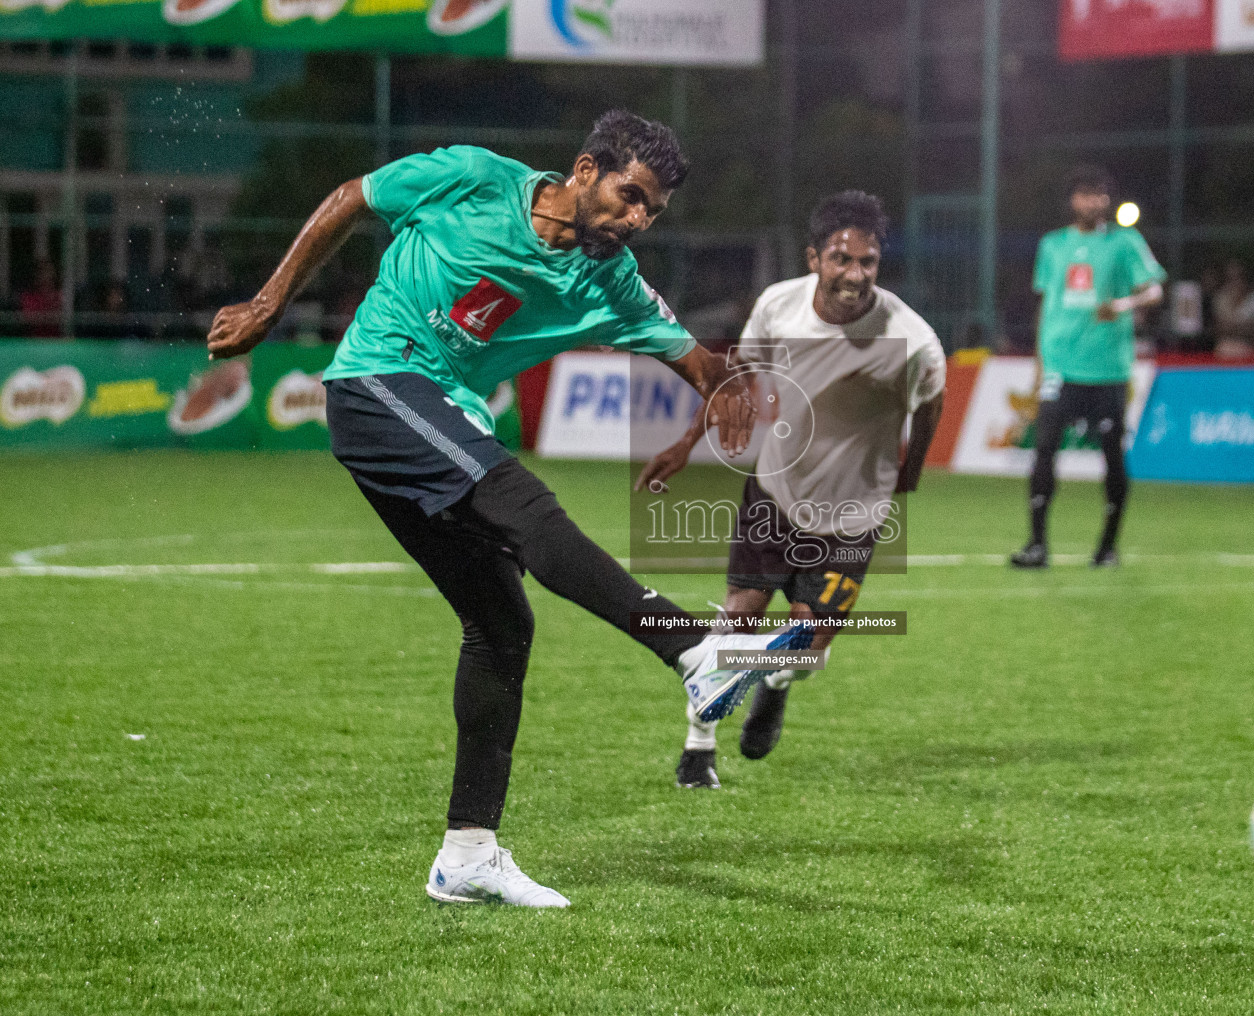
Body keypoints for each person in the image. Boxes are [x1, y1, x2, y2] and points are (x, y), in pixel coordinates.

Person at [205, 110, 813, 909]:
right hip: (379, 382)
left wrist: (724, 386)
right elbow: (355, 195)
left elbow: (692, 356)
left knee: (501, 625)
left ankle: (467, 854)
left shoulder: (611, 279)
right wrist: (268, 302)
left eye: (652, 212)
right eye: (630, 196)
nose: (636, 220)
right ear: (585, 169)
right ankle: (696, 654)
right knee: (524, 507)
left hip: (441, 417)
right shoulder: (473, 178)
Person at [633, 191, 946, 789]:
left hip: (854, 516)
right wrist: (684, 443)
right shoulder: (778, 306)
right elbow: (737, 379)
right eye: (841, 259)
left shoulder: (912, 339)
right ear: (814, 259)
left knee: (811, 648)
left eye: (868, 262)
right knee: (738, 618)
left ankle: (775, 682)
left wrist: (915, 467)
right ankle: (699, 747)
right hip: (775, 493)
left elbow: (933, 403)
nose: (855, 274)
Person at [1010, 165, 1165, 570]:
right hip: (1061, 363)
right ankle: (1037, 544)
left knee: (1112, 454)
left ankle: (1108, 546)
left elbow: (1154, 290)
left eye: (1097, 194)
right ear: (1072, 200)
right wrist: (1039, 363)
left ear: (1107, 201)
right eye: (1082, 194)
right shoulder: (1053, 245)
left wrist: (1122, 305)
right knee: (1043, 449)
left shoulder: (1124, 242)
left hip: (1107, 368)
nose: (1089, 201)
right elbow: (1047, 303)